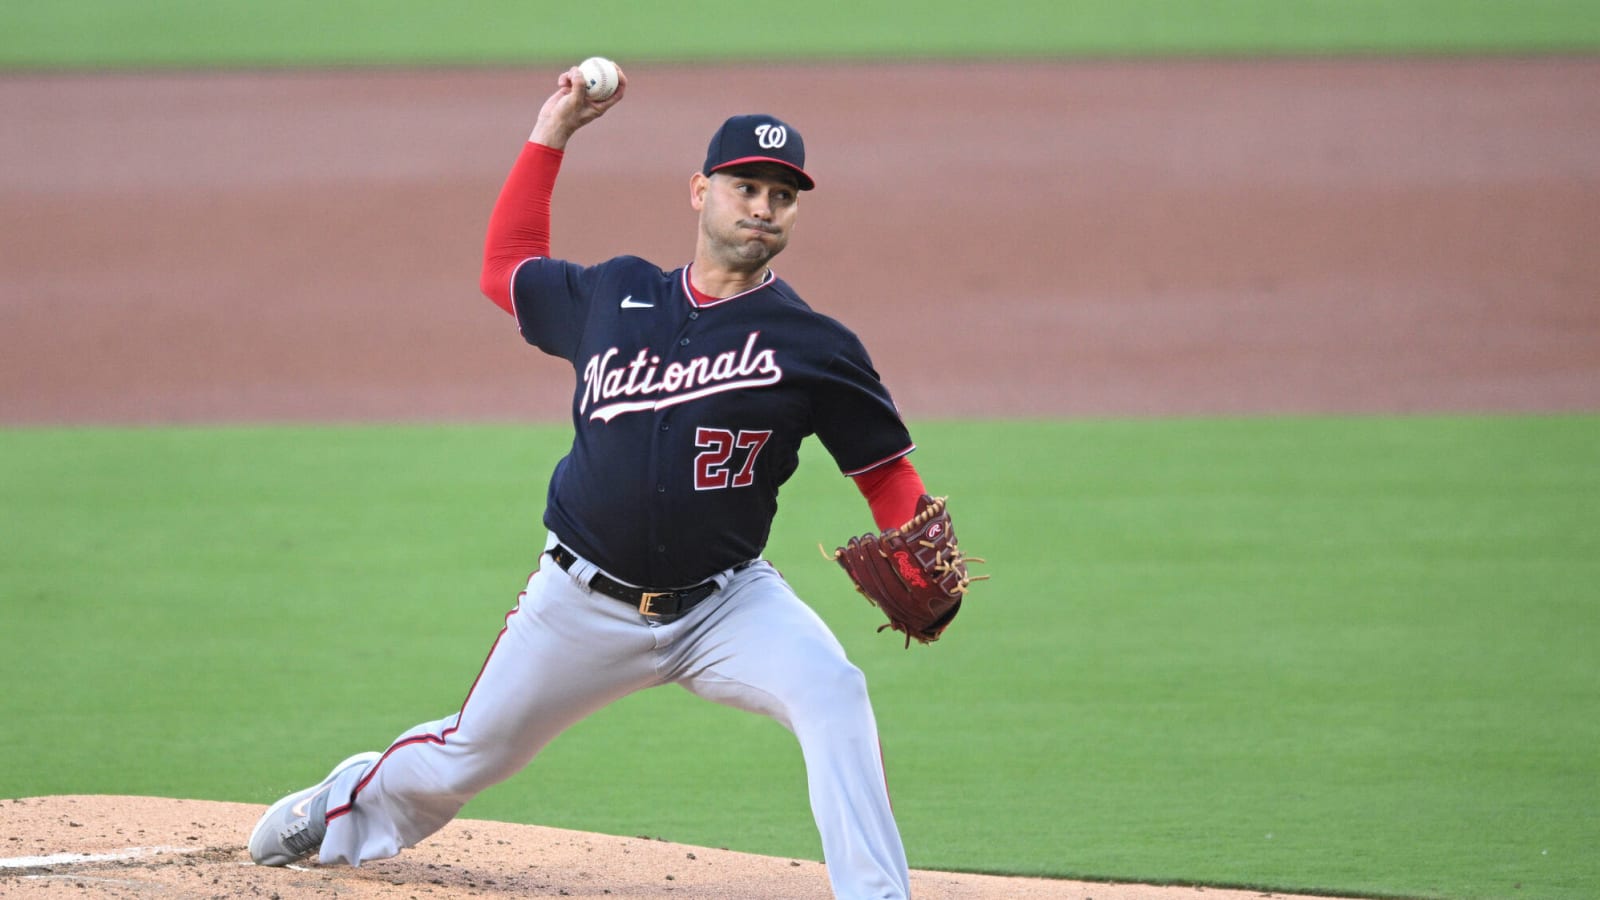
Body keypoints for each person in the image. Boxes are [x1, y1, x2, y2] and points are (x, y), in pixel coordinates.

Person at [248, 62, 952, 900]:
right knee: (468, 756)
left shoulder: (813, 344)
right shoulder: (614, 293)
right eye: (745, 186)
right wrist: (556, 129)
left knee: (834, 691)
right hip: (580, 603)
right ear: (701, 191)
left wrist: (921, 544)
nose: (762, 205)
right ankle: (343, 805)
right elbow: (504, 269)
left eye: (781, 194)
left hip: (728, 604)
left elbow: (883, 470)